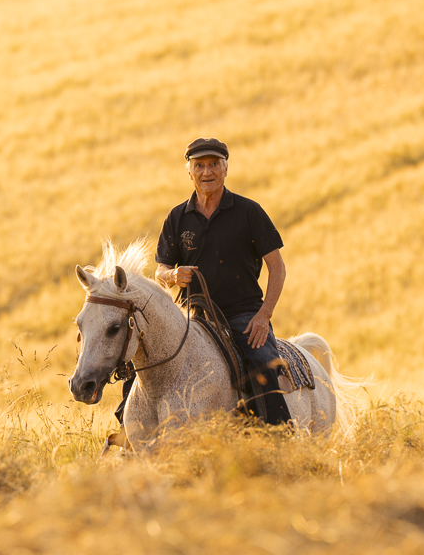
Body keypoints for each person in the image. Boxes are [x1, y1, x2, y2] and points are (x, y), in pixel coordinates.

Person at [114, 137, 291, 426]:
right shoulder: (177, 217)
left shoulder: (249, 212)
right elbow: (161, 271)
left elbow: (277, 267)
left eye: (213, 165)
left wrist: (264, 315)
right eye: (199, 166)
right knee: (140, 361)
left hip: (243, 314)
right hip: (189, 316)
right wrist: (171, 276)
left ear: (225, 168)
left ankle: (279, 434)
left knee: (262, 362)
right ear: (189, 171)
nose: (207, 172)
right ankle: (127, 435)